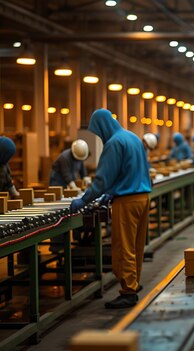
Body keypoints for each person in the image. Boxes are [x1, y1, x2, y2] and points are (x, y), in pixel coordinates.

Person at [70, 109, 152, 309]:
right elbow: (131, 169)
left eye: (97, 132)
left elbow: (102, 179)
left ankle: (128, 292)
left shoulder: (114, 143)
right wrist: (112, 190)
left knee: (124, 247)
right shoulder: (132, 137)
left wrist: (85, 199)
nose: (99, 136)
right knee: (135, 246)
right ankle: (133, 283)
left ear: (102, 127)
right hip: (143, 197)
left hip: (127, 202)